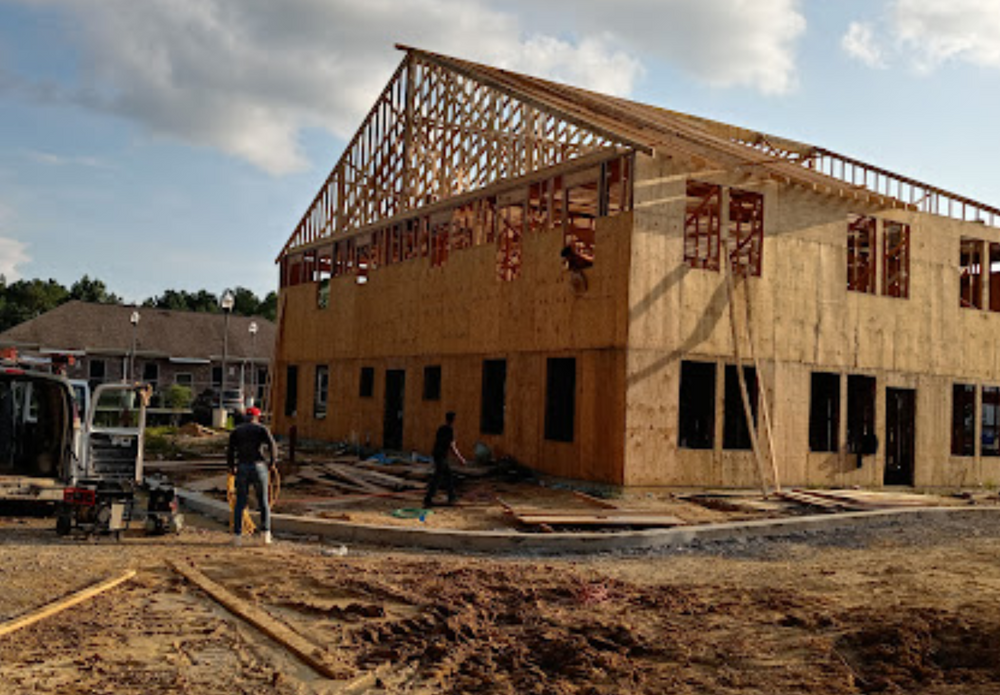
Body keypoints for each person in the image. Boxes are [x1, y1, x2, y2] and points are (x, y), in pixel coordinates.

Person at [227, 406, 277, 545]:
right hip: (259, 466)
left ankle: (237, 536)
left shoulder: (237, 431)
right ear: (257, 417)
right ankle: (265, 535)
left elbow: (230, 451)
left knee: (240, 503)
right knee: (263, 501)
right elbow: (272, 445)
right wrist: (272, 462)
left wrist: (231, 467)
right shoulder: (261, 429)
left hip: (242, 466)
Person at [424, 411, 467, 508]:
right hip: (441, 456)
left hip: (437, 454)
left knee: (447, 476)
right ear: (453, 420)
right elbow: (452, 446)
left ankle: (451, 496)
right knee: (438, 477)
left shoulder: (441, 428)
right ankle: (428, 498)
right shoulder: (450, 430)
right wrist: (460, 458)